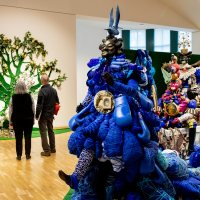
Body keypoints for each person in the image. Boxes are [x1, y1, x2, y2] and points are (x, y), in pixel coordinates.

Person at [9, 80, 35, 160]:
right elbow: (33, 108)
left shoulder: (13, 97)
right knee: (28, 137)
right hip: (28, 120)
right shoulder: (29, 96)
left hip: (17, 120)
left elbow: (10, 110)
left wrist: (10, 120)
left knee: (18, 138)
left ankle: (19, 155)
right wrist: (33, 118)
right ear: (25, 87)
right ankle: (27, 155)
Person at [36, 74, 60, 156]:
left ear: (42, 81)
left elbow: (39, 105)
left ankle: (46, 151)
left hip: (43, 115)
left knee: (43, 132)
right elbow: (57, 102)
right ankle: (53, 149)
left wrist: (36, 115)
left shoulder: (41, 91)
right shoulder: (54, 90)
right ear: (48, 80)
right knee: (51, 131)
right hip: (51, 114)